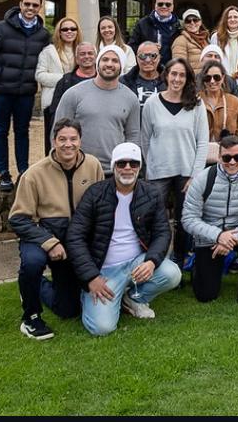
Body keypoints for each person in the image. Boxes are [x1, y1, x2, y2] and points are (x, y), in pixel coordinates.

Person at [65, 142, 181, 336]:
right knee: (102, 328)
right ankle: (96, 297)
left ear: (139, 167)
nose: (128, 168)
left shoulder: (151, 193)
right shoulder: (95, 193)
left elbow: (162, 232)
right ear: (113, 167)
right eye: (121, 163)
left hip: (136, 264)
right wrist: (91, 277)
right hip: (103, 271)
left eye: (133, 163)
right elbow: (75, 236)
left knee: (172, 273)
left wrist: (151, 261)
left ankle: (133, 298)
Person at [9, 118, 104, 340]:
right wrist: (50, 243)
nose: (68, 144)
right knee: (32, 263)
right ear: (54, 141)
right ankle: (31, 318)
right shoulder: (33, 174)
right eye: (62, 139)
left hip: (76, 241)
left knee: (68, 310)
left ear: (80, 141)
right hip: (42, 235)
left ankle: (36, 286)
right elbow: (18, 219)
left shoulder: (93, 165)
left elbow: (100, 208)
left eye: (73, 139)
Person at [0, 0, 51, 192]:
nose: (30, 8)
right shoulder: (2, 28)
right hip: (1, 90)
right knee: (1, 131)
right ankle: (3, 174)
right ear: (20, 5)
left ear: (39, 8)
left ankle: (23, 171)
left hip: (26, 92)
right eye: (27, 4)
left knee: (22, 132)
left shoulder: (43, 34)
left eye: (35, 5)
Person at [182, 135, 238, 302]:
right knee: (206, 296)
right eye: (227, 158)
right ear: (219, 157)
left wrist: (232, 238)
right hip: (210, 234)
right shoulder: (202, 179)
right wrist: (218, 236)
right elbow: (188, 219)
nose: (232, 162)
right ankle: (199, 266)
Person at [140, 58, 208, 268]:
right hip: (158, 172)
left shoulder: (196, 104)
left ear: (187, 78)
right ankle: (155, 260)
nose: (177, 79)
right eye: (174, 74)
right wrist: (151, 165)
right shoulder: (152, 103)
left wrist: (195, 174)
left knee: (183, 220)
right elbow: (145, 139)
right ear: (166, 75)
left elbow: (202, 141)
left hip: (187, 171)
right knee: (155, 219)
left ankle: (179, 258)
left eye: (182, 75)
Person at [55, 45, 141, 176]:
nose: (109, 64)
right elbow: (57, 131)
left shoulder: (131, 98)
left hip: (114, 171)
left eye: (115, 60)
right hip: (79, 168)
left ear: (121, 66)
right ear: (97, 63)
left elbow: (133, 136)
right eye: (105, 59)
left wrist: (128, 164)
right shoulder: (74, 94)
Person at [36, 17, 81, 155]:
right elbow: (40, 75)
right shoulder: (48, 51)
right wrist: (65, 80)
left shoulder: (82, 50)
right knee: (53, 139)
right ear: (59, 32)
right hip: (53, 102)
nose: (69, 31)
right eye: (65, 29)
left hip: (77, 102)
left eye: (73, 29)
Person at [47, 42, 97, 133]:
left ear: (96, 57)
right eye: (82, 54)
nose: (86, 56)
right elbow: (55, 112)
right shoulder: (65, 82)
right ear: (76, 59)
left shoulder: (104, 82)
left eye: (90, 53)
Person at [199, 59, 238, 144]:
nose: (212, 81)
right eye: (208, 78)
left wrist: (231, 145)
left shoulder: (235, 103)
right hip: (200, 149)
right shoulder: (195, 101)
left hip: (227, 150)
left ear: (223, 77)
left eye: (216, 77)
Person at [128, 0, 182, 66]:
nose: (164, 6)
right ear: (155, 6)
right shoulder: (143, 23)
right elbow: (131, 47)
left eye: (168, 4)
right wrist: (148, 47)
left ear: (172, 7)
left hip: (172, 68)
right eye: (160, 4)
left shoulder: (180, 25)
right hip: (148, 67)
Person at [121, 42, 167, 107]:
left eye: (152, 56)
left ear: (159, 57)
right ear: (137, 58)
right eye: (142, 56)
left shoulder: (169, 82)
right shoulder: (124, 83)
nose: (148, 60)